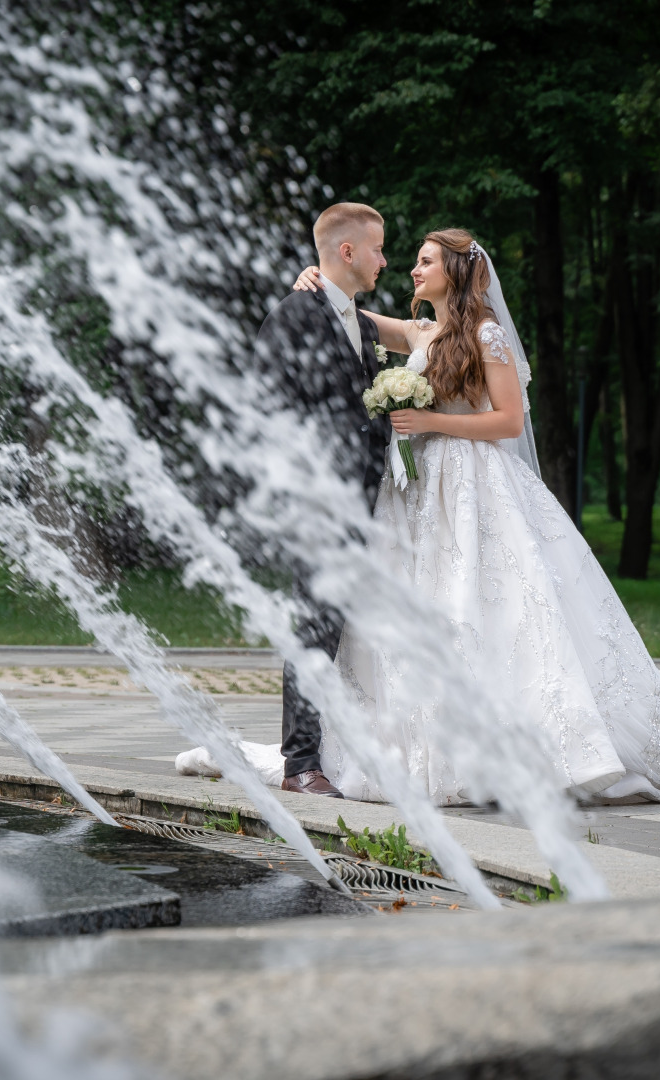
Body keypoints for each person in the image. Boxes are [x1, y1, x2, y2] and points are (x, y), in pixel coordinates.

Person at [286, 229, 660, 805]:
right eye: (413, 260)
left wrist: (433, 423)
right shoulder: (420, 330)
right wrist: (311, 283)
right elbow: (355, 315)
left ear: (457, 272)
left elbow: (510, 422)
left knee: (487, 607)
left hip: (474, 485)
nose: (412, 270)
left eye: (425, 262)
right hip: (419, 496)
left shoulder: (487, 335)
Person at [252, 202, 391, 798]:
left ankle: (337, 750)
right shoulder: (292, 315)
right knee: (313, 627)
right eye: (380, 249)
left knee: (339, 630)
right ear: (348, 251)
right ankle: (299, 766)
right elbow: (267, 410)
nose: (386, 260)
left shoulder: (359, 323)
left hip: (362, 503)